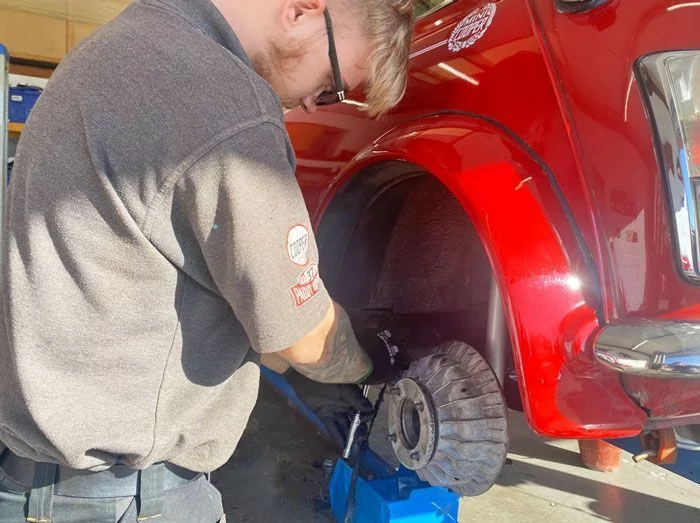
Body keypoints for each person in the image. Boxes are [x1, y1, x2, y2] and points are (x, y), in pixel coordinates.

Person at [0, 0, 414, 521]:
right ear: (305, 9)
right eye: (332, 83)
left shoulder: (124, 42)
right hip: (124, 498)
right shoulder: (227, 104)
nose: (316, 103)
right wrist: (380, 358)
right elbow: (307, 340)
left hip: (35, 477)